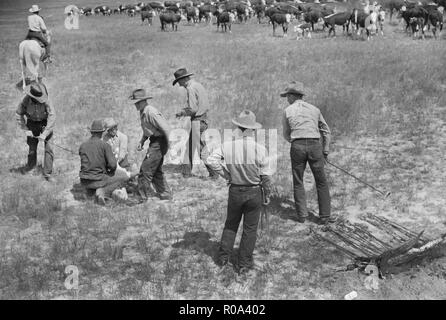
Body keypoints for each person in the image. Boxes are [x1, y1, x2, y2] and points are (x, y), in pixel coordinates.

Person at [206, 110, 273, 275]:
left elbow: (211, 160)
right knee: (250, 229)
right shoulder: (260, 149)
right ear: (253, 130)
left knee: (231, 224)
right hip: (254, 191)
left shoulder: (227, 146)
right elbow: (266, 177)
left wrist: (226, 174)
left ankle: (223, 258)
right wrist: (268, 195)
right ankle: (243, 264)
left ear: (238, 127)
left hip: (235, 190)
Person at [280, 81, 335, 225]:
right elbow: (326, 131)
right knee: (321, 181)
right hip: (314, 145)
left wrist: (295, 142)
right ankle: (325, 216)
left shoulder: (288, 111)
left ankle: (302, 216)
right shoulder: (314, 109)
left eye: (287, 96)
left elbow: (286, 134)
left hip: (297, 145)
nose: (287, 99)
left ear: (292, 96)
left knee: (298, 181)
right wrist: (325, 150)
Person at [172, 68, 218, 179]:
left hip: (197, 120)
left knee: (200, 149)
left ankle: (214, 173)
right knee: (191, 147)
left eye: (179, 81)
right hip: (203, 119)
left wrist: (182, 113)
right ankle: (186, 173)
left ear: (183, 79)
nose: (179, 85)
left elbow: (193, 109)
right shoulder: (198, 85)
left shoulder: (190, 88)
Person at [129, 89, 172, 201]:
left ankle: (140, 197)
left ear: (144, 101)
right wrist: (142, 141)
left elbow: (166, 128)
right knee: (156, 169)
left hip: (159, 142)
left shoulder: (151, 112)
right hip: (155, 141)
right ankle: (165, 193)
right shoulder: (143, 111)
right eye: (135, 102)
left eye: (138, 102)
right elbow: (148, 129)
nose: (136, 104)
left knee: (146, 169)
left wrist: (170, 145)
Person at [78, 119, 129, 205]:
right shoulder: (105, 145)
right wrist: (110, 171)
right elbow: (113, 165)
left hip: (84, 181)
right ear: (101, 132)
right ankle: (102, 192)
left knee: (94, 179)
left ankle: (89, 192)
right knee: (124, 177)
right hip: (98, 179)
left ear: (91, 132)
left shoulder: (82, 146)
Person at [16, 81, 55, 182]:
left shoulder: (46, 100)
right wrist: (26, 129)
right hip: (31, 124)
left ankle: (47, 174)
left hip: (45, 124)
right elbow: (18, 114)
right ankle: (31, 167)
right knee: (32, 148)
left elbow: (52, 116)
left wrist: (45, 133)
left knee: (49, 149)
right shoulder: (25, 100)